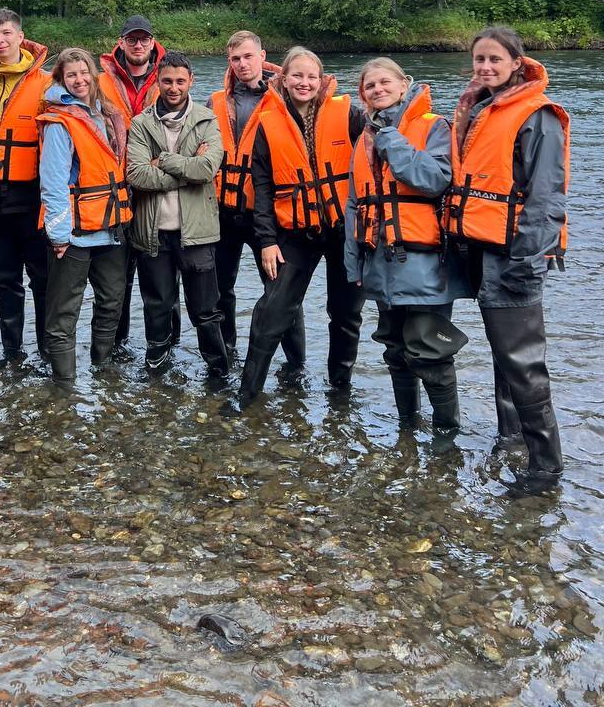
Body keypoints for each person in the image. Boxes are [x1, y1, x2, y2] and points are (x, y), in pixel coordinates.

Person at [444, 26, 569, 493]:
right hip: (479, 246)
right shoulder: (478, 109)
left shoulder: (538, 116)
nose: (486, 67)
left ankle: (545, 467)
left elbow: (547, 197)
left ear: (518, 62)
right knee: (504, 355)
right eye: (479, 60)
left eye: (495, 59)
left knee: (523, 361)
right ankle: (511, 436)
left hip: (515, 252)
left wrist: (527, 257)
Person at [344, 58, 469, 431]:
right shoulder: (364, 138)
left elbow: (434, 180)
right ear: (363, 96)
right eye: (370, 86)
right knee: (395, 350)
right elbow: (355, 206)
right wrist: (354, 265)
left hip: (425, 264)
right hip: (379, 265)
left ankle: (446, 433)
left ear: (403, 85)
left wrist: (393, 141)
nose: (378, 90)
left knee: (429, 350)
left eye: (385, 83)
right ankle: (407, 426)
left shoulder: (434, 127)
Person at [239, 46, 365, 406]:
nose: (304, 83)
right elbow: (261, 187)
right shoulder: (267, 124)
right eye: (297, 76)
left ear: (322, 80)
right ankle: (248, 394)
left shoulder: (347, 114)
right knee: (273, 310)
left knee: (345, 314)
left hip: (344, 231)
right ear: (283, 79)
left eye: (312, 76)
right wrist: (266, 241)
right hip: (294, 233)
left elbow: (376, 155)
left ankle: (340, 390)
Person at [126, 51, 229, 377]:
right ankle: (156, 367)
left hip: (196, 232)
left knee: (206, 310)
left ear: (190, 82)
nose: (173, 87)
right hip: (152, 232)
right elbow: (137, 175)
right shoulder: (141, 123)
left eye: (180, 81)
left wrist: (165, 160)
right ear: (158, 80)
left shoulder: (206, 119)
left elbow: (207, 168)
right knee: (157, 306)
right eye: (167, 81)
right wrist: (187, 168)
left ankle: (218, 370)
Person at [210, 30, 306, 366]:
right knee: (221, 290)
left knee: (280, 292)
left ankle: (295, 364)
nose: (242, 64)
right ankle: (226, 356)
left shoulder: (284, 98)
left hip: (266, 213)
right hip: (223, 211)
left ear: (262, 56)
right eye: (235, 59)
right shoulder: (217, 101)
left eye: (248, 56)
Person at [38, 48, 130, 384]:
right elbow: (53, 181)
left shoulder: (106, 114)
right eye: (71, 75)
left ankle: (102, 369)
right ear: (61, 80)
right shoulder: (59, 122)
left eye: (84, 72)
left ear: (93, 75)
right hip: (74, 233)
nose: (79, 80)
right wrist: (58, 234)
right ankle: (65, 384)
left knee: (111, 300)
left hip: (111, 228)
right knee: (64, 313)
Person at [98, 14, 179, 349]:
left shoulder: (168, 77)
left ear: (152, 42)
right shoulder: (100, 80)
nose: (138, 44)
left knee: (161, 273)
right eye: (131, 39)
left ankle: (165, 345)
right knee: (118, 278)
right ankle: (117, 346)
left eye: (144, 39)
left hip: (155, 187)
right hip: (114, 190)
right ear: (121, 42)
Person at [0, 9, 51, 359]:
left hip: (32, 198)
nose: (0, 41)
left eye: (6, 33)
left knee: (43, 280)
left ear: (21, 37)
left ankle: (49, 350)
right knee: (4, 279)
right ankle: (12, 351)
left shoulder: (46, 84)